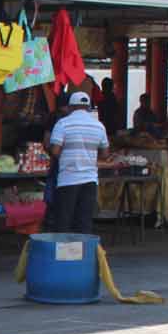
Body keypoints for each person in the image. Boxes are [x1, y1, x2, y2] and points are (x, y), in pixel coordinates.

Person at [48, 89, 111, 235]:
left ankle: (63, 255)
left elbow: (55, 151)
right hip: (90, 180)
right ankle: (82, 255)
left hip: (68, 179)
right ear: (88, 107)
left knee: (63, 222)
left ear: (70, 107)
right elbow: (105, 154)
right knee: (84, 222)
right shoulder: (99, 126)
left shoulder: (62, 124)